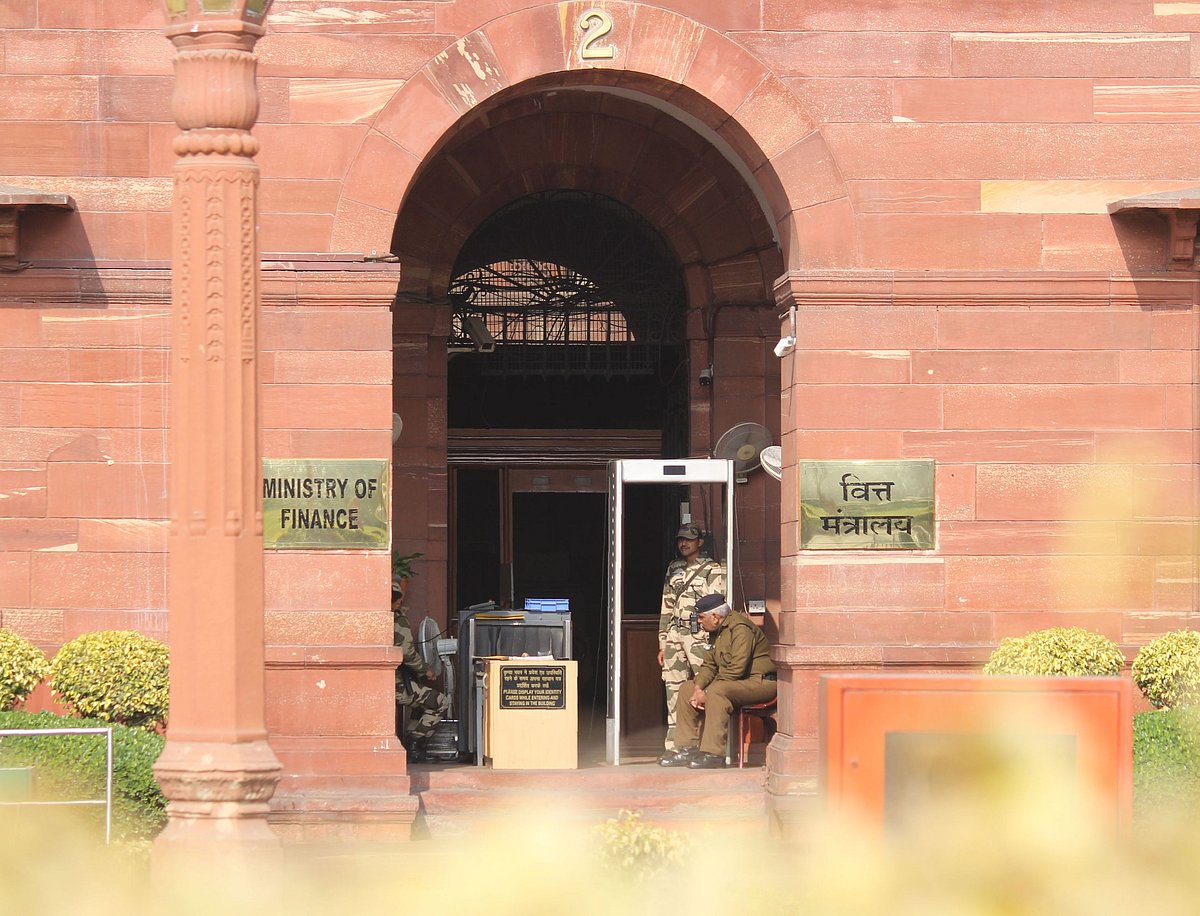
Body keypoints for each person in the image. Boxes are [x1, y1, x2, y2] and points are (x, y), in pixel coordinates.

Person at [659, 593, 776, 769]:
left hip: (760, 683)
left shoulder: (740, 629)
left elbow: (736, 669)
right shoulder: (717, 631)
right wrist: (698, 688)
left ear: (715, 617)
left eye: (701, 617)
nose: (699, 622)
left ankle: (713, 754)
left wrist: (706, 692)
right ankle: (687, 748)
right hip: (736, 683)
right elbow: (709, 665)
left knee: (717, 691)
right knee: (686, 689)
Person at [657, 522, 726, 752]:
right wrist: (663, 641)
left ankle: (706, 744)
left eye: (689, 539)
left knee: (704, 686)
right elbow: (666, 605)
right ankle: (676, 746)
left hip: (699, 635)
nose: (684, 543)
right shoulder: (674, 567)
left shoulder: (712, 569)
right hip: (675, 633)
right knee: (673, 688)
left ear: (700, 542)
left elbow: (716, 608)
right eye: (680, 539)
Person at [393, 581, 449, 762]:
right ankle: (415, 743)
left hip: (386, 683)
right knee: (441, 702)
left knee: (420, 706)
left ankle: (409, 741)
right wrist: (426, 670)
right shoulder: (398, 620)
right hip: (397, 686)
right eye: (398, 600)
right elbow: (407, 653)